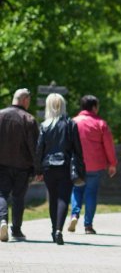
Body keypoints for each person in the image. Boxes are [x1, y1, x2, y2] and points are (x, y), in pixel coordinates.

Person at [35, 93, 85, 245]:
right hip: (65, 165)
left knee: (53, 198)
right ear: (63, 106)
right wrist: (81, 166)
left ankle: (53, 229)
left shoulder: (44, 125)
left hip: (49, 166)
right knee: (63, 198)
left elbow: (39, 149)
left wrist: (37, 170)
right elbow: (78, 149)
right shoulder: (71, 124)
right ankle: (58, 230)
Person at [69, 95, 117, 234]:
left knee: (77, 190)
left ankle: (74, 215)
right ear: (94, 107)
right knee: (91, 193)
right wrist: (112, 163)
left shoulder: (73, 122)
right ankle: (88, 226)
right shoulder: (100, 123)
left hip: (77, 164)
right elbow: (108, 145)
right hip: (95, 165)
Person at [0, 88, 39, 242]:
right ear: (25, 100)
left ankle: (2, 220)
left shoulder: (0, 115)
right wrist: (38, 168)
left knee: (1, 193)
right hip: (22, 166)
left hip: (1, 164)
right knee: (18, 197)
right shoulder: (28, 119)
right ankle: (16, 230)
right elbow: (34, 147)